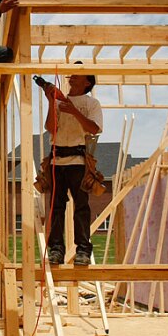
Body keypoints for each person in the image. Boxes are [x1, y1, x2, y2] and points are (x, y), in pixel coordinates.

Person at [42, 69, 102, 266]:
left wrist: (74, 111)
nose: (73, 75)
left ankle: (83, 250)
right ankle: (56, 250)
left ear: (87, 82)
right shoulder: (58, 102)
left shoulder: (91, 104)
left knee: (81, 207)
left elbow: (94, 129)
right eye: (72, 72)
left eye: (79, 73)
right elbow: (51, 128)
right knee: (56, 207)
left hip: (78, 161)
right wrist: (51, 101)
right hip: (56, 161)